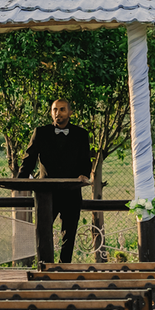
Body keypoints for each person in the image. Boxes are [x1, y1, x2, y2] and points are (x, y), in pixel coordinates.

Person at [18, 99, 94, 262]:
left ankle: (64, 267)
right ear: (51, 112)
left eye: (62, 109)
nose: (58, 113)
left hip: (71, 191)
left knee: (70, 232)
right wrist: (20, 180)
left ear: (70, 112)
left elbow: (85, 160)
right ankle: (44, 265)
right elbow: (29, 158)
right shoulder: (41, 132)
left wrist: (84, 175)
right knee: (43, 230)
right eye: (54, 110)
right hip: (46, 193)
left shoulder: (81, 134)